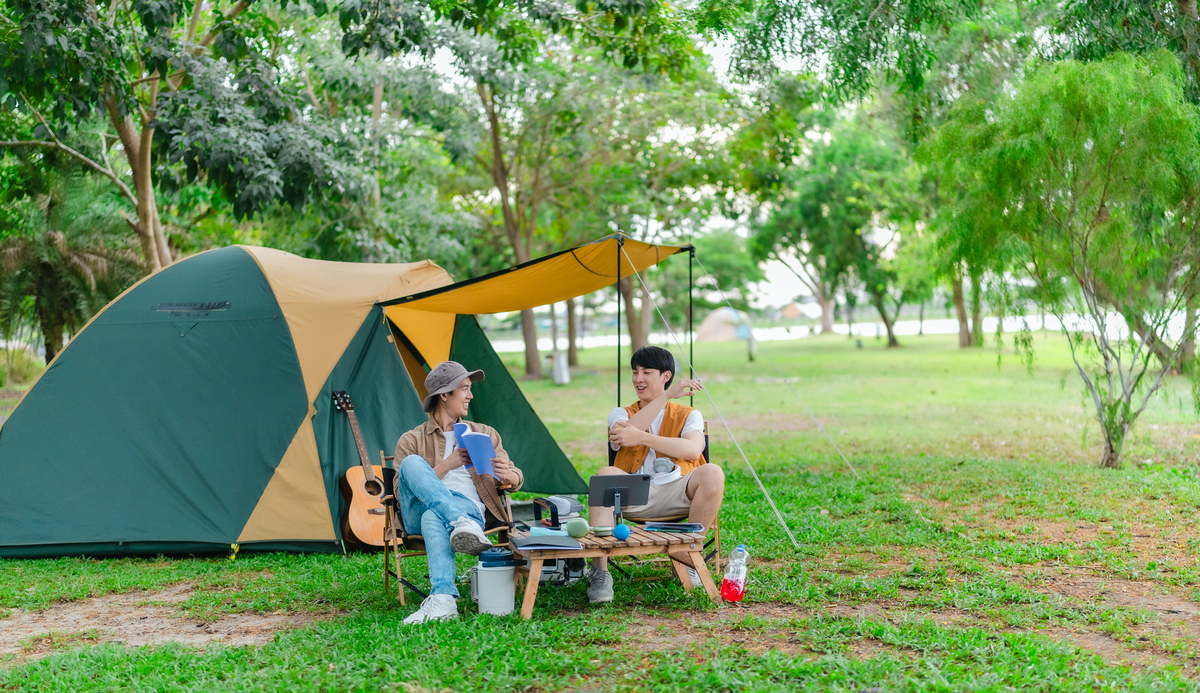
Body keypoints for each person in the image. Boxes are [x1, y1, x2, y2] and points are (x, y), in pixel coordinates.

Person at [586, 345, 725, 604]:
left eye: (647, 372)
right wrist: (666, 397)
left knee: (713, 473)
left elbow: (693, 449)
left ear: (665, 376)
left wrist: (641, 437)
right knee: (606, 473)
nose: (638, 378)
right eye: (635, 372)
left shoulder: (689, 414)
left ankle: (687, 555)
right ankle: (600, 572)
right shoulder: (619, 413)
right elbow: (622, 435)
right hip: (634, 495)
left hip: (678, 491)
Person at [392, 360, 524, 624]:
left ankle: (444, 599)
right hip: (420, 512)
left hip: (469, 510)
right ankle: (457, 520)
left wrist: (506, 474)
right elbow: (398, 491)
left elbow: (515, 477)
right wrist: (447, 465)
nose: (470, 395)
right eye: (464, 389)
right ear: (444, 395)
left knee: (434, 516)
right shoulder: (412, 440)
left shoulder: (484, 433)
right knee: (411, 464)